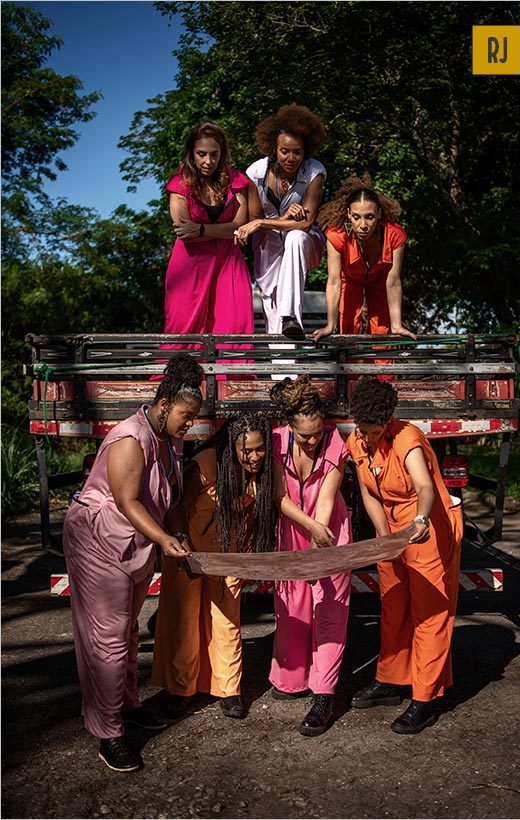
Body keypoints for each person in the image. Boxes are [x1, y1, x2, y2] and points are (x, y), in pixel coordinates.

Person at [63, 353, 204, 772]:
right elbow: (126, 500)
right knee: (107, 641)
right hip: (98, 541)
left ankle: (125, 705)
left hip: (133, 545)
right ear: (164, 405)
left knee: (125, 631)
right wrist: (164, 539)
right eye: (185, 415)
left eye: (193, 417)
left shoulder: (168, 439)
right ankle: (108, 733)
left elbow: (167, 498)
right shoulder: (130, 436)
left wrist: (172, 534)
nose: (189, 424)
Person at [346, 378, 463, 734]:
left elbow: (425, 487)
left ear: (389, 420)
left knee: (429, 613)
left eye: (374, 430)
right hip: (391, 529)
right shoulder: (357, 440)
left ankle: (424, 699)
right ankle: (389, 681)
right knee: (393, 606)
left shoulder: (407, 439)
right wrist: (383, 535)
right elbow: (369, 493)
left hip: (425, 524)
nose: (366, 437)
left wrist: (419, 521)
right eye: (362, 429)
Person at [151, 412, 275, 721]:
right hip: (187, 554)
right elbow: (176, 506)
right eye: (247, 450)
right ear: (231, 446)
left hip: (226, 557)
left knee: (227, 621)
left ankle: (228, 689)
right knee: (185, 623)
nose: (255, 456)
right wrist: (180, 542)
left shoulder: (262, 471)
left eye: (260, 449)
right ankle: (182, 690)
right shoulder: (206, 463)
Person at [269, 375, 352, 736]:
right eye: (305, 435)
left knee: (329, 610)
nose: (313, 439)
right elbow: (278, 497)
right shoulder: (275, 441)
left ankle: (323, 695)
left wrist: (319, 545)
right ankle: (291, 679)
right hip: (292, 529)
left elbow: (327, 502)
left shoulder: (334, 442)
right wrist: (307, 528)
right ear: (289, 427)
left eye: (318, 431)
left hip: (329, 531)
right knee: (292, 606)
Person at [235, 103, 326, 340]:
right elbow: (254, 219)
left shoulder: (314, 172)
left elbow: (305, 224)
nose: (291, 157)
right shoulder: (255, 173)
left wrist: (266, 223)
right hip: (269, 245)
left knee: (295, 237)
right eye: (284, 151)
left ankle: (291, 316)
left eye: (297, 151)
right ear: (273, 148)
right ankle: (284, 374)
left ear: (306, 151)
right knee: (270, 302)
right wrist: (280, 219)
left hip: (307, 243)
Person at [162, 121, 254, 353]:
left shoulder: (236, 181)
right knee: (182, 327)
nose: (208, 161)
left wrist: (201, 229)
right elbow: (184, 231)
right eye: (201, 154)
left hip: (228, 261)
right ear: (191, 154)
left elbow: (240, 226)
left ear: (222, 153)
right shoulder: (179, 183)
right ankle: (178, 382)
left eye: (214, 154)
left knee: (234, 324)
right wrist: (223, 230)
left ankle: (232, 383)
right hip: (190, 265)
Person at [312, 174, 415, 341]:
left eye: (369, 217)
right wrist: (330, 325)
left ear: (379, 214)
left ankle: (380, 367)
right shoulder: (337, 236)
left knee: (383, 331)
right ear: (348, 214)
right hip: (350, 280)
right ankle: (349, 367)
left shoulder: (395, 235)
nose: (363, 225)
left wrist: (397, 325)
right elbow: (333, 281)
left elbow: (393, 281)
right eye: (356, 217)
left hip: (381, 280)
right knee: (348, 330)